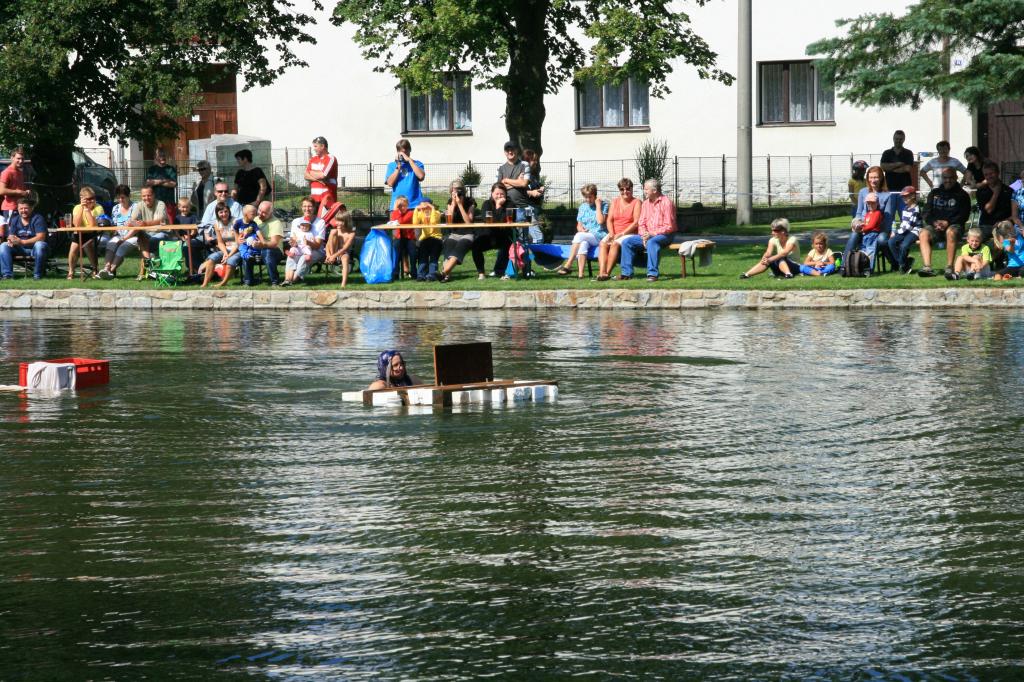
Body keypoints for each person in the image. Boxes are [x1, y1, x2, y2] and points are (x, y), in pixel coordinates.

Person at [619, 178, 677, 282]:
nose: (644, 191)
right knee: (626, 242)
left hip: (665, 235)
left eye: (646, 189)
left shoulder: (666, 203)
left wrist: (651, 235)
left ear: (654, 190)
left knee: (652, 242)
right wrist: (644, 236)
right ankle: (626, 273)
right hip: (647, 235)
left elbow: (669, 226)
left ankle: (652, 274)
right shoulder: (645, 204)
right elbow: (641, 223)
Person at [918, 168, 972, 277]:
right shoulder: (934, 193)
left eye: (951, 178)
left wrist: (947, 223)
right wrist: (934, 223)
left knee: (950, 232)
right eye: (945, 178)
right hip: (936, 226)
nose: (948, 180)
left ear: (956, 178)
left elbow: (963, 216)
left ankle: (949, 267)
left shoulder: (962, 195)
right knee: (923, 233)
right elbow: (926, 213)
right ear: (942, 178)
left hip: (955, 225)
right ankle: (927, 267)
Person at [845, 165, 899, 271]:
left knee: (882, 239)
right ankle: (845, 265)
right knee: (854, 235)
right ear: (867, 178)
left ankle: (893, 262)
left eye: (876, 177)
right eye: (870, 177)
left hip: (879, 229)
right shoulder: (863, 192)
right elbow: (859, 213)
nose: (873, 180)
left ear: (881, 178)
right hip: (863, 227)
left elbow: (888, 219)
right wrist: (856, 224)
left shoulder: (887, 195)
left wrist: (874, 229)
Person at [557, 184, 608, 278]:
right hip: (586, 235)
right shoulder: (582, 207)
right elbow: (579, 225)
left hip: (599, 235)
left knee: (579, 236)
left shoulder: (603, 205)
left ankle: (568, 264)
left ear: (595, 195)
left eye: (590, 197)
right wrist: (581, 229)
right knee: (583, 243)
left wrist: (598, 206)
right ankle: (581, 275)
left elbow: (601, 221)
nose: (588, 199)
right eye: (586, 197)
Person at [597, 177, 640, 281]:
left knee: (615, 244)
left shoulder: (637, 202)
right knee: (602, 243)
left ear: (632, 189)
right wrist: (611, 233)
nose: (625, 191)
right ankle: (601, 272)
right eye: (622, 189)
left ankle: (607, 273)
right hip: (615, 232)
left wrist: (622, 234)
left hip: (629, 233)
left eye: (628, 189)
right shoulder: (615, 201)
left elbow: (636, 223)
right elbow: (609, 220)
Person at [438, 180, 477, 283]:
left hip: (467, 234)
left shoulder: (470, 201)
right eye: (454, 190)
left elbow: (468, 222)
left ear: (463, 190)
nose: (456, 193)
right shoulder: (450, 202)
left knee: (459, 247)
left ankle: (444, 272)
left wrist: (460, 204)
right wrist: (453, 205)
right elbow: (449, 222)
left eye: (459, 190)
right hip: (454, 233)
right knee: (448, 246)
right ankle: (446, 275)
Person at [0, 197, 48, 280]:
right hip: (20, 249)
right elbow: (11, 236)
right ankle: (7, 275)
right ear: (17, 209)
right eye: (21, 208)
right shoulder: (15, 219)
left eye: (26, 208)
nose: (23, 211)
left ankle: (37, 275)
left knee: (40, 245)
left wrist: (22, 242)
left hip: (35, 249)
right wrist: (10, 240)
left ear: (32, 208)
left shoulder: (38, 218)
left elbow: (41, 237)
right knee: (4, 245)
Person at [98, 185, 138, 279]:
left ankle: (110, 271)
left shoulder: (136, 207)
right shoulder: (115, 208)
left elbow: (137, 227)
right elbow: (114, 225)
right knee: (111, 244)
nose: (120, 200)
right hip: (119, 235)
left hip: (134, 236)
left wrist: (124, 239)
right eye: (118, 197)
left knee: (122, 247)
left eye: (123, 197)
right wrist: (112, 231)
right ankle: (106, 268)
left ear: (129, 196)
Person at [199, 201, 241, 288]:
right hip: (226, 249)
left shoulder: (235, 222)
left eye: (226, 211)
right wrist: (225, 253)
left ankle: (223, 283)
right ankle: (205, 283)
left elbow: (238, 243)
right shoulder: (217, 224)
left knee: (231, 261)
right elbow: (220, 242)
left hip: (237, 249)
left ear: (229, 212)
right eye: (221, 212)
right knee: (211, 259)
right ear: (217, 214)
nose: (224, 214)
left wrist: (229, 255)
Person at [476, 183, 513, 279]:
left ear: (506, 194)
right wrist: (498, 207)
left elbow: (503, 220)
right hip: (488, 235)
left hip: (504, 235)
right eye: (497, 194)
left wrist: (498, 206)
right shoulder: (486, 204)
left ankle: (500, 271)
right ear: (492, 193)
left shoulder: (510, 204)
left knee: (507, 244)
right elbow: (486, 220)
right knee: (475, 245)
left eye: (502, 194)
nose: (499, 196)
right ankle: (481, 273)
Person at [67, 187, 105, 279]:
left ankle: (95, 269)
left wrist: (87, 210)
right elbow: (76, 224)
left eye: (93, 198)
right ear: (82, 199)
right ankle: (71, 271)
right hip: (80, 233)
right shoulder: (77, 208)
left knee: (87, 245)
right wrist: (82, 208)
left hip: (93, 233)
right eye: (89, 199)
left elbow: (92, 225)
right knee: (74, 246)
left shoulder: (98, 208)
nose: (92, 200)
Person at [247, 201, 285, 286]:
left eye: (264, 213)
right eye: (260, 210)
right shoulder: (255, 219)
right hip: (257, 248)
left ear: (271, 213)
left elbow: (274, 243)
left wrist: (262, 244)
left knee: (267, 252)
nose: (260, 214)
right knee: (246, 252)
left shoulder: (276, 223)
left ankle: (275, 281)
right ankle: (249, 281)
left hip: (275, 251)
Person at [888, 186, 923, 274]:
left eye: (906, 196)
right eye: (903, 196)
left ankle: (903, 265)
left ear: (913, 196)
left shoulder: (916, 209)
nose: (904, 198)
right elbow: (903, 223)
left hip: (914, 231)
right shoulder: (905, 208)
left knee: (904, 245)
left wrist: (897, 232)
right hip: (905, 230)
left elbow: (910, 226)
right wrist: (896, 232)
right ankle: (904, 263)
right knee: (891, 242)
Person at [976, 161, 1012, 243]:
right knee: (976, 242)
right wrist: (996, 193)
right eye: (986, 174)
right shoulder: (981, 192)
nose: (989, 176)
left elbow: (1014, 214)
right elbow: (988, 210)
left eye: (991, 173)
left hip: (1004, 225)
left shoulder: (1009, 191)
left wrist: (1002, 222)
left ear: (998, 173)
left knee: (1004, 243)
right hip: (986, 225)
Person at [384, 139, 425, 210]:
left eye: (405, 152)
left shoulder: (417, 164)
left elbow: (421, 176)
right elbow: (390, 183)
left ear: (410, 150)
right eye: (401, 153)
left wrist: (409, 160)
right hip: (397, 206)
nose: (403, 155)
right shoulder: (392, 165)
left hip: (414, 205)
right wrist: (398, 166)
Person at [323, 206, 356, 288]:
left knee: (345, 258)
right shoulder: (335, 231)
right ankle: (331, 257)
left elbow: (345, 248)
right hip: (333, 251)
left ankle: (343, 284)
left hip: (343, 253)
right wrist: (329, 255)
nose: (337, 223)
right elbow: (327, 245)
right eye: (337, 220)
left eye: (340, 221)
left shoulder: (351, 234)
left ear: (346, 222)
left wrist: (334, 256)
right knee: (333, 231)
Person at [304, 136, 338, 209]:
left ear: (322, 146)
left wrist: (311, 172)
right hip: (314, 200)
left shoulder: (330, 158)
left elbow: (323, 175)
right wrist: (317, 179)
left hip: (327, 200)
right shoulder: (313, 159)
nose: (314, 149)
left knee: (326, 217)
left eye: (316, 146)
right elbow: (306, 175)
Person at [414, 199, 443, 281]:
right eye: (422, 205)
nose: (424, 207)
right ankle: (421, 274)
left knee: (433, 257)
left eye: (426, 205)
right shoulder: (421, 213)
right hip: (425, 238)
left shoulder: (437, 213)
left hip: (436, 238)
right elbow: (415, 223)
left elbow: (433, 223)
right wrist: (416, 209)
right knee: (422, 257)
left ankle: (432, 275)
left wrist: (432, 208)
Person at [389, 194, 416, 279]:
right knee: (396, 252)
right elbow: (394, 221)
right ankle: (395, 273)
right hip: (398, 237)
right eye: (400, 206)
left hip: (409, 237)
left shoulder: (410, 213)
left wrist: (397, 211)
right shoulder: (395, 213)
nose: (402, 208)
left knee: (413, 254)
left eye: (404, 206)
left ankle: (414, 272)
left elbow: (401, 221)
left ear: (407, 205)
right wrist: (396, 210)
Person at [496, 141, 531, 208]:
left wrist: (506, 180)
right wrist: (518, 182)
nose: (510, 152)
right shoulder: (500, 167)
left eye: (512, 149)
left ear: (517, 150)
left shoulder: (524, 165)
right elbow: (498, 188)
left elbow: (524, 183)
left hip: (521, 206)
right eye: (507, 150)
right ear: (505, 152)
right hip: (505, 206)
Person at [145, 149, 178, 222]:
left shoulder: (171, 169)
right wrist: (164, 180)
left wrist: (156, 182)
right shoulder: (152, 169)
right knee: (155, 223)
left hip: (169, 202)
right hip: (155, 202)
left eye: (164, 155)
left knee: (170, 224)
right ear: (156, 157)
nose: (162, 157)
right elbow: (148, 182)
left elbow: (173, 184)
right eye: (160, 156)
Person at [0, 146, 30, 220]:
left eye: (22, 159)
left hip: (20, 208)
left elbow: (19, 189)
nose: (21, 161)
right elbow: (1, 190)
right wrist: (19, 192)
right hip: (10, 208)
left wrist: (26, 192)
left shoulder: (20, 172)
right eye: (18, 158)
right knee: (11, 228)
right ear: (12, 158)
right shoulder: (7, 172)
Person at [234, 204, 261, 285]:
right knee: (243, 250)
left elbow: (258, 233)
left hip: (251, 244)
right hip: (242, 244)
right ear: (246, 214)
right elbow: (235, 232)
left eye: (255, 213)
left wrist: (260, 240)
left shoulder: (253, 223)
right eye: (253, 214)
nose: (255, 215)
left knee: (251, 249)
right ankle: (249, 280)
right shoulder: (238, 223)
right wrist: (238, 239)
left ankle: (248, 280)